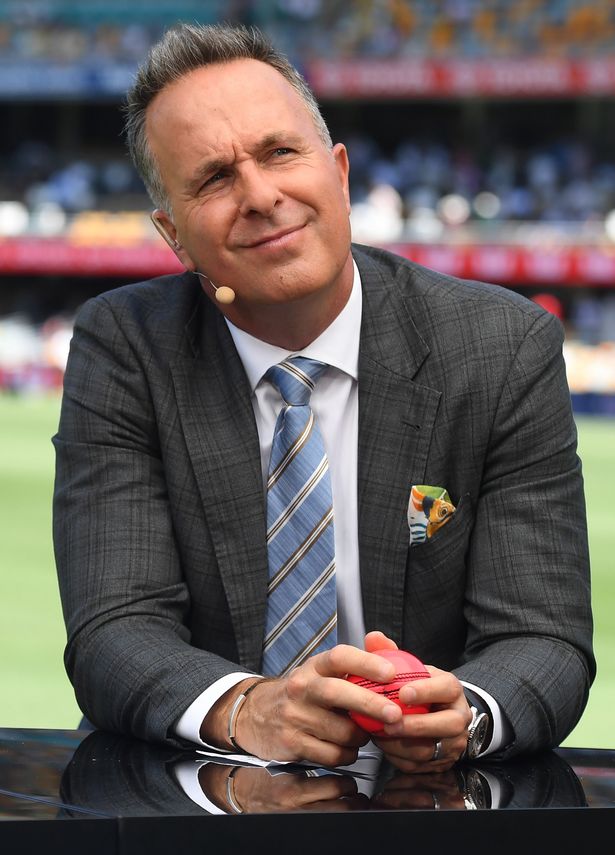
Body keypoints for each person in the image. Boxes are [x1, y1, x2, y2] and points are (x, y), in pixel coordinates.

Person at [53, 23, 594, 775]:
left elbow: (544, 639)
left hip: (424, 800)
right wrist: (248, 707)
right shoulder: (125, 346)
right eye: (213, 178)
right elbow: (114, 630)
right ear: (174, 236)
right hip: (197, 793)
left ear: (337, 171)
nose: (260, 195)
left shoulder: (503, 347)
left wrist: (463, 709)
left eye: (280, 152)